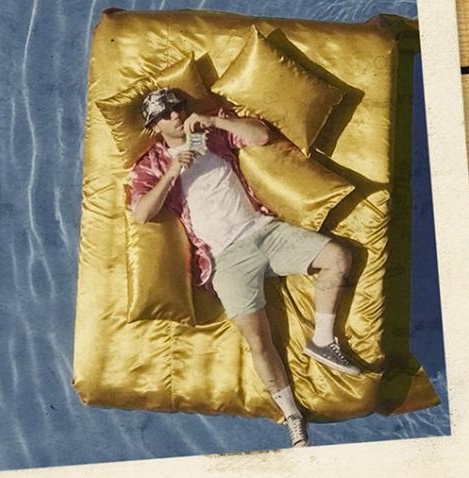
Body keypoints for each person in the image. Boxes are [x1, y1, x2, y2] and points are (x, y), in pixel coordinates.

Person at [129, 88, 361, 448]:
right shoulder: (151, 164)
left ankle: (322, 340)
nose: (175, 115)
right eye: (165, 114)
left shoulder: (210, 131)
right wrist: (174, 169)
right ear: (154, 126)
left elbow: (261, 136)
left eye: (178, 106)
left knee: (338, 257)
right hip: (224, 259)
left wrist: (214, 120)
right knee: (258, 338)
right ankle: (293, 416)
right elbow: (142, 213)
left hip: (263, 231)